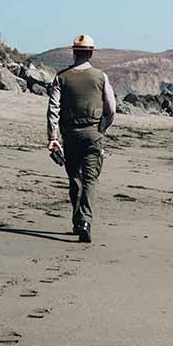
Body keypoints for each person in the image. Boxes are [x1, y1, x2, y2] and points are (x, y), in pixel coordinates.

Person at [46, 34, 116, 243]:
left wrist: (53, 137)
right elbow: (111, 108)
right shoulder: (101, 77)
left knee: (74, 178)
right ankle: (86, 221)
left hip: (71, 135)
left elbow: (53, 109)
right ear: (91, 53)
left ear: (74, 52)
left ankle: (78, 221)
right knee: (90, 179)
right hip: (93, 134)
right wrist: (102, 127)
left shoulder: (61, 77)